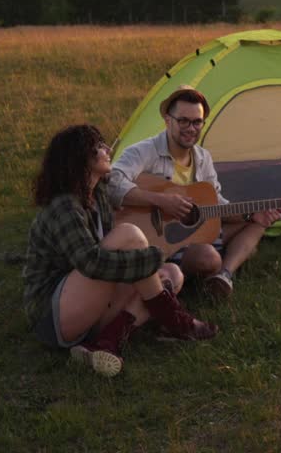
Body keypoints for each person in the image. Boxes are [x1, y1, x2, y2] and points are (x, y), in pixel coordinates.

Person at [22, 124, 218, 378]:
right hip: (55, 314)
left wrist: (150, 264)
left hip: (89, 307)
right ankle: (174, 319)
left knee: (172, 274)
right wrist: (151, 258)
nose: (107, 149)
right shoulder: (64, 207)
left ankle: (108, 340)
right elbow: (92, 264)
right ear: (82, 158)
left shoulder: (97, 194)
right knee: (129, 235)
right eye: (99, 147)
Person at [107, 87, 281, 300]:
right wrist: (161, 201)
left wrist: (249, 214)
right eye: (183, 121)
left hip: (195, 233)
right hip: (159, 241)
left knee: (257, 221)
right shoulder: (143, 151)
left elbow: (215, 203)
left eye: (197, 122)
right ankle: (211, 267)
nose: (191, 128)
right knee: (209, 258)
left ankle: (224, 275)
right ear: (168, 121)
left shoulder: (202, 158)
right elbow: (111, 182)